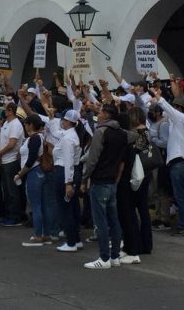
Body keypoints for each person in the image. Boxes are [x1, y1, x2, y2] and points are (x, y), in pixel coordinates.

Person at [81, 104, 128, 269]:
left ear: (106, 115)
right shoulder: (122, 133)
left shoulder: (100, 132)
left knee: (101, 221)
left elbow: (92, 159)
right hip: (113, 180)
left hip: (100, 180)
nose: (98, 114)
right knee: (114, 220)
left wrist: (84, 179)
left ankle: (104, 257)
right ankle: (114, 256)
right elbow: (141, 137)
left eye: (100, 111)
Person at [152, 88, 184, 236]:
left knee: (181, 196)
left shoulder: (181, 119)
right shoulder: (180, 123)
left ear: (178, 108)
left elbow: (167, 108)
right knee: (183, 195)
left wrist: (159, 97)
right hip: (183, 162)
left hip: (180, 162)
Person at [117, 107, 151, 264]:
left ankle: (139, 243)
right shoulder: (144, 131)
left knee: (136, 209)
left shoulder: (139, 133)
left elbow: (135, 150)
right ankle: (144, 242)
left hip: (138, 173)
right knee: (143, 209)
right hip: (144, 172)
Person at [51, 110, 84, 252]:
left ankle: (71, 242)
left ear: (69, 122)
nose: (61, 122)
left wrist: (68, 183)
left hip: (65, 173)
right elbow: (55, 131)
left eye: (63, 120)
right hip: (69, 172)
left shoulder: (68, 138)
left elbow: (68, 161)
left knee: (65, 208)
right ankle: (75, 240)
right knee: (72, 207)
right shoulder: (69, 135)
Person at [17, 114, 47, 246]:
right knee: (39, 205)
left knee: (36, 205)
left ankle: (38, 235)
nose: (24, 125)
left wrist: (20, 174)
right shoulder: (36, 137)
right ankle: (43, 233)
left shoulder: (35, 138)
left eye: (26, 123)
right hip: (36, 172)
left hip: (34, 172)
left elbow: (31, 159)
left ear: (30, 125)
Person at [0, 102, 25, 226]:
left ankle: (16, 216)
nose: (3, 112)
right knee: (6, 190)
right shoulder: (6, 123)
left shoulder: (16, 125)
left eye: (5, 110)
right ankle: (8, 214)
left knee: (13, 191)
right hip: (4, 160)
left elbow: (12, 144)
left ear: (11, 111)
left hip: (11, 161)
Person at [147, 104, 171, 231]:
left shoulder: (164, 124)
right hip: (154, 160)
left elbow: (166, 143)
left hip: (161, 160)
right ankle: (158, 215)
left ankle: (164, 218)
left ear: (158, 112)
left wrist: (154, 140)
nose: (150, 113)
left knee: (161, 191)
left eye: (152, 111)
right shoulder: (153, 124)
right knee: (155, 191)